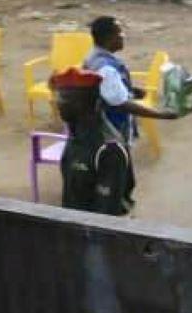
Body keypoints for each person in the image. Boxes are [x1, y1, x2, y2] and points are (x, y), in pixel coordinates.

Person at [52, 66, 136, 216]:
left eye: (66, 99)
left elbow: (105, 215)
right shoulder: (76, 133)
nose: (59, 104)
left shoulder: (109, 149)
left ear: (93, 104)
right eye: (59, 98)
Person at [83, 16, 179, 144]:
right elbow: (121, 104)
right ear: (109, 37)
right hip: (110, 131)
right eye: (119, 32)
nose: (123, 36)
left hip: (99, 125)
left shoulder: (93, 56)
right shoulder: (106, 67)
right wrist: (161, 115)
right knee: (116, 161)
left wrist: (131, 91)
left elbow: (104, 89)